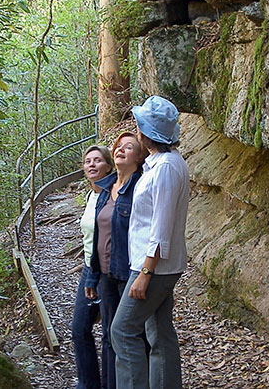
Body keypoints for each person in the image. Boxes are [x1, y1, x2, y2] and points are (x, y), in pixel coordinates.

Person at [111, 96, 189, 389]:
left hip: (153, 267)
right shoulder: (159, 163)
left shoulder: (167, 167)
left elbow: (161, 226)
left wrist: (145, 273)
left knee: (122, 331)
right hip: (155, 265)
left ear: (147, 133)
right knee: (158, 331)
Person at [86, 132, 147, 389]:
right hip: (106, 275)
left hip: (129, 274)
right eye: (118, 146)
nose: (121, 149)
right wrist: (93, 275)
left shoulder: (141, 188)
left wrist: (145, 273)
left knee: (132, 336)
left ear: (139, 157)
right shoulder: (105, 188)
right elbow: (98, 234)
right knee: (110, 335)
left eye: (129, 147)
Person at [72, 145, 114, 389]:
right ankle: (88, 384)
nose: (92, 165)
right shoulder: (91, 196)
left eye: (97, 160)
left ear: (108, 166)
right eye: (88, 161)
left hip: (108, 271)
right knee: (79, 328)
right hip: (89, 268)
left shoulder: (113, 194)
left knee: (110, 334)